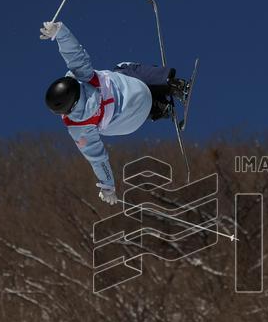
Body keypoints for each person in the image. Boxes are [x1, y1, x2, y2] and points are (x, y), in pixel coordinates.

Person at [39, 21, 189, 204]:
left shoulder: (79, 128)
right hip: (138, 89)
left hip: (135, 118)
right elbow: (74, 53)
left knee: (113, 119)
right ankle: (173, 85)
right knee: (124, 68)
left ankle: (160, 109)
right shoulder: (84, 76)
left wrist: (107, 186)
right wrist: (59, 32)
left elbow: (97, 158)